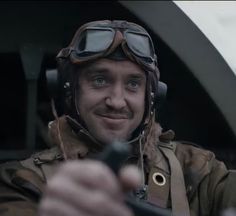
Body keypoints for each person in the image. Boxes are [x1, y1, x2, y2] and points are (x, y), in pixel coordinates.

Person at [0, 20, 235, 216]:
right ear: (70, 91)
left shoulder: (197, 169)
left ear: (151, 98)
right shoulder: (21, 182)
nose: (116, 101)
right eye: (100, 80)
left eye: (133, 84)